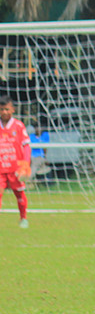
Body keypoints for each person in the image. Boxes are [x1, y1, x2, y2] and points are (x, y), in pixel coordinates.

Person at [0, 96, 31, 228]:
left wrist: (25, 164)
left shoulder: (18, 126)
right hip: (1, 168)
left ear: (13, 109)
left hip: (15, 168)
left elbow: (26, 146)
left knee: (19, 194)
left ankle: (23, 218)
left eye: (7, 109)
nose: (4, 112)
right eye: (2, 109)